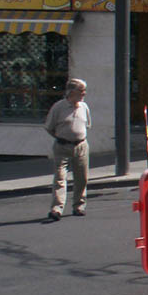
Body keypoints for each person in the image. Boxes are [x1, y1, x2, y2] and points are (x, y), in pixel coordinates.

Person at [44, 78, 91, 220]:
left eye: (84, 91)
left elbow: (87, 125)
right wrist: (62, 137)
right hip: (62, 146)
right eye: (81, 91)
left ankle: (79, 206)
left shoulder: (84, 107)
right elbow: (49, 127)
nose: (84, 93)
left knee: (81, 178)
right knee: (60, 178)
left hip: (81, 145)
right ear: (71, 92)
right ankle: (56, 209)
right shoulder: (58, 107)